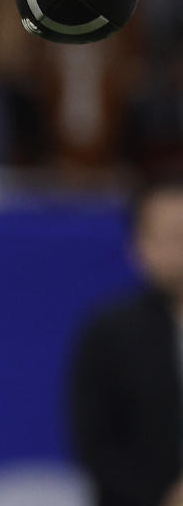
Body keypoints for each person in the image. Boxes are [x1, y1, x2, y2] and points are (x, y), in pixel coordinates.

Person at [69, 179, 183, 506]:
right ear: (139, 246)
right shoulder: (110, 334)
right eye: (171, 235)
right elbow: (95, 445)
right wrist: (165, 497)